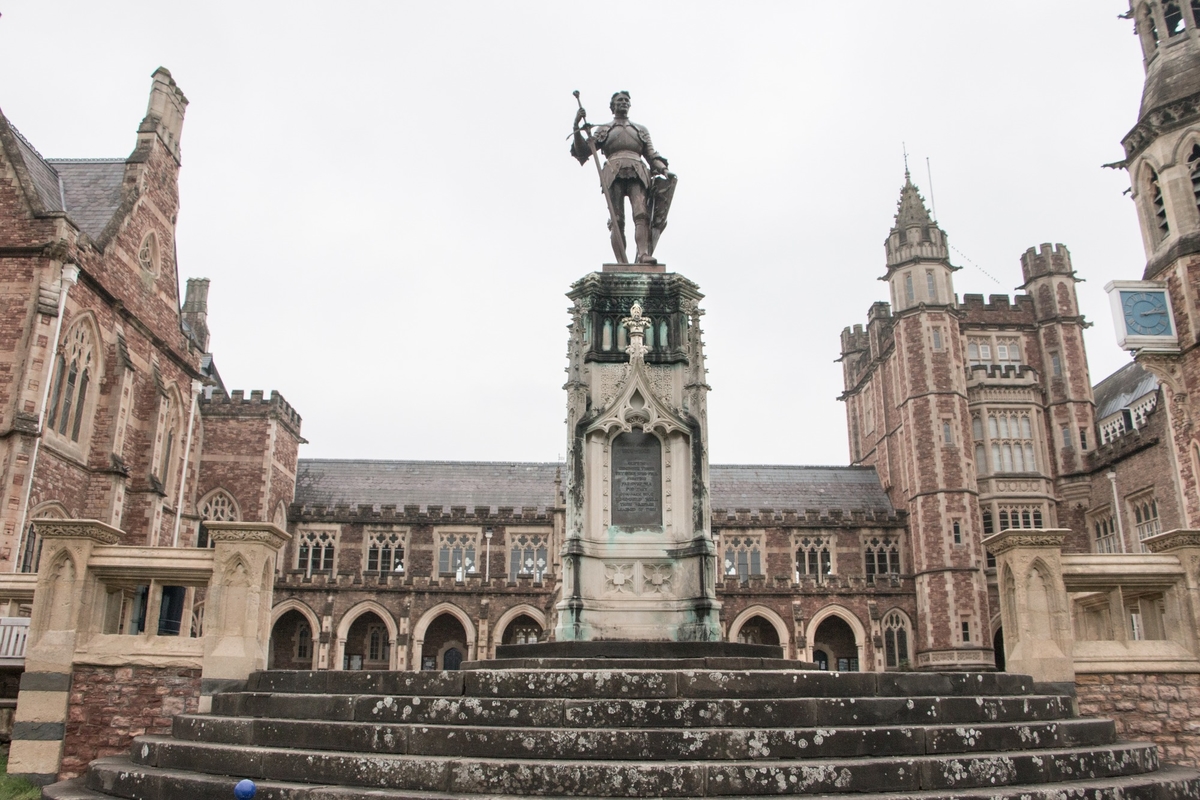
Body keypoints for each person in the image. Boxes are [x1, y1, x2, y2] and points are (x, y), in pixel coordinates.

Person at [572, 91, 675, 265]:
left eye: (627, 100)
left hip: (638, 171)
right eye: (620, 100)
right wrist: (576, 127)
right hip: (613, 172)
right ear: (612, 106)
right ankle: (621, 261)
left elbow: (651, 155)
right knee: (617, 219)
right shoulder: (604, 129)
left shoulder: (640, 129)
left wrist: (664, 170)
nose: (624, 103)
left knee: (641, 214)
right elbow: (583, 150)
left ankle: (643, 254)